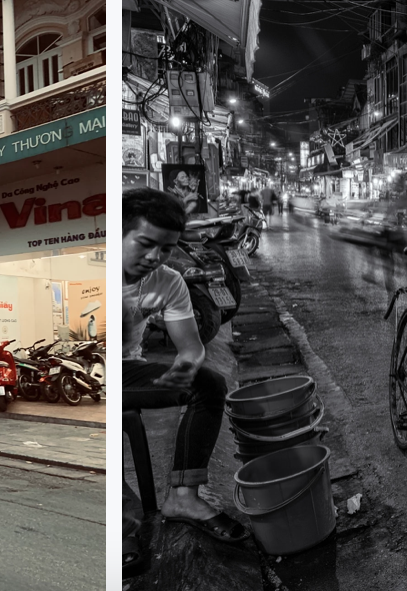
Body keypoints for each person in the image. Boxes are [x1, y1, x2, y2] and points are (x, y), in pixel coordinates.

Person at [123, 186, 253, 547]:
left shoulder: (168, 281)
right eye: (145, 243)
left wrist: (186, 364)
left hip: (127, 369)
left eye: (165, 248)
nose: (155, 257)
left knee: (209, 384)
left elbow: (192, 346)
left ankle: (183, 497)